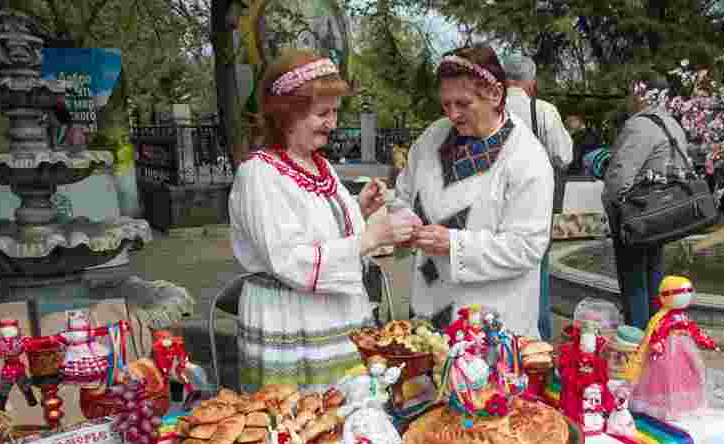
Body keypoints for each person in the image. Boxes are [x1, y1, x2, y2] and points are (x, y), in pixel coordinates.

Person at [228, 49, 417, 393]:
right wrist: (369, 239)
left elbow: (318, 232)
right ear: (286, 115)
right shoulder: (258, 174)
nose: (332, 123)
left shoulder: (319, 165)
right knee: (302, 428)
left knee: (352, 421)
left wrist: (359, 210)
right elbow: (289, 260)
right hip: (291, 323)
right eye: (322, 113)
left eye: (335, 112)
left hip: (336, 315)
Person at [397, 44, 554, 339]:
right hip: (427, 313)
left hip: (491, 325)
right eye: (445, 105)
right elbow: (403, 195)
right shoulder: (433, 137)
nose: (452, 115)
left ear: (495, 95)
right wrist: (401, 219)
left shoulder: (527, 158)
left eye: (462, 103)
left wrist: (454, 245)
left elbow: (527, 247)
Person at [602, 74, 689, 329]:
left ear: (642, 94)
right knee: (653, 279)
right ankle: (655, 338)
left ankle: (637, 343)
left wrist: (611, 210)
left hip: (637, 215)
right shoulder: (673, 124)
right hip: (663, 214)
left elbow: (618, 178)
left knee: (634, 284)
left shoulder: (640, 125)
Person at [502, 52, 572, 342]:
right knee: (538, 273)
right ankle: (537, 341)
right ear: (530, 82)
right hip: (534, 207)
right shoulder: (542, 111)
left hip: (495, 205)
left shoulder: (487, 108)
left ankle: (500, 335)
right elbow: (564, 155)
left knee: (500, 269)